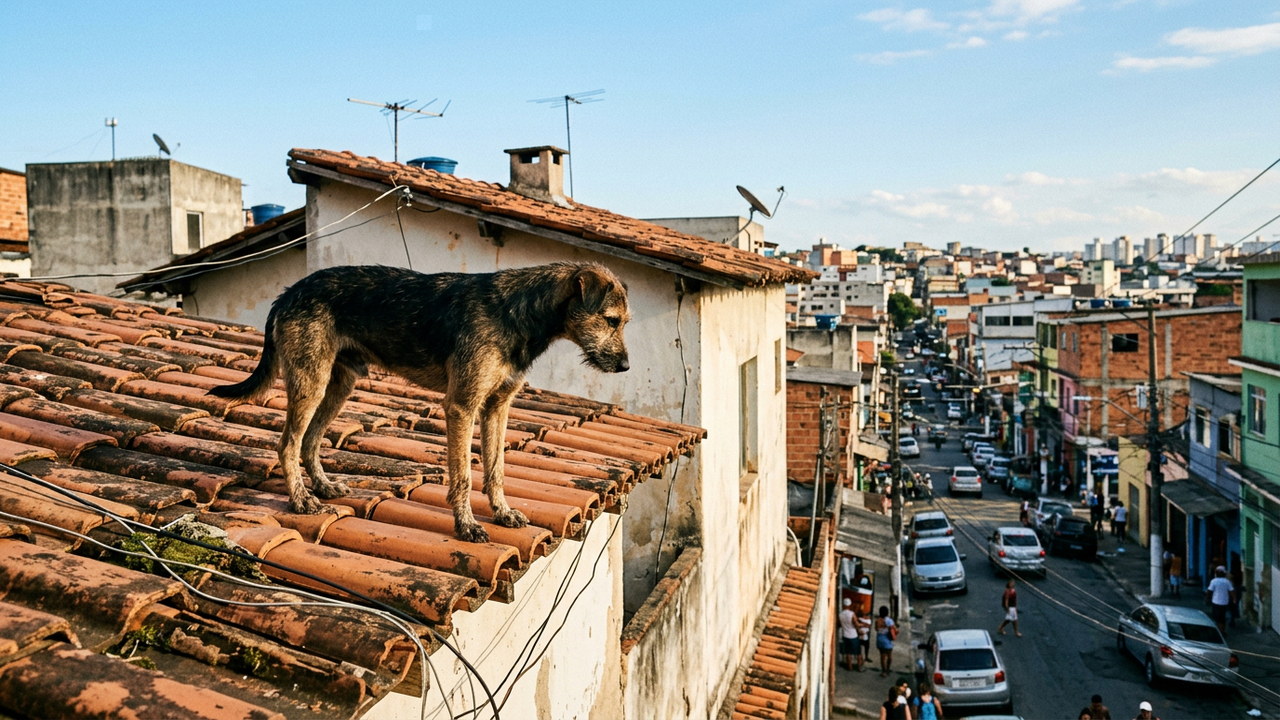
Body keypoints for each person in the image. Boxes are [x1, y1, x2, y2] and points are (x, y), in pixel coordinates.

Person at [1207, 566, 1235, 633]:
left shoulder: (1213, 581)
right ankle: (1222, 630)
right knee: (1222, 618)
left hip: (1216, 602)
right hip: (1224, 602)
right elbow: (1232, 591)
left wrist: (1207, 598)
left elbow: (1209, 591)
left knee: (1216, 617)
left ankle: (1217, 631)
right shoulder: (1227, 582)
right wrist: (1234, 599)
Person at [875, 605, 897, 677]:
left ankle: (883, 670)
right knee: (889, 656)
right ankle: (887, 669)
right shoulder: (889, 620)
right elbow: (895, 629)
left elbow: (876, 629)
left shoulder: (877, 620)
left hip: (879, 639)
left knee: (882, 656)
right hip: (886, 639)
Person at [838, 598, 858, 671]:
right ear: (850, 605)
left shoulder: (840, 614)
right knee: (857, 651)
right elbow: (856, 624)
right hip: (853, 635)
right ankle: (859, 666)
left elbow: (839, 624)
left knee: (848, 652)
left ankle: (850, 667)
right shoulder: (852, 614)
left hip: (845, 635)